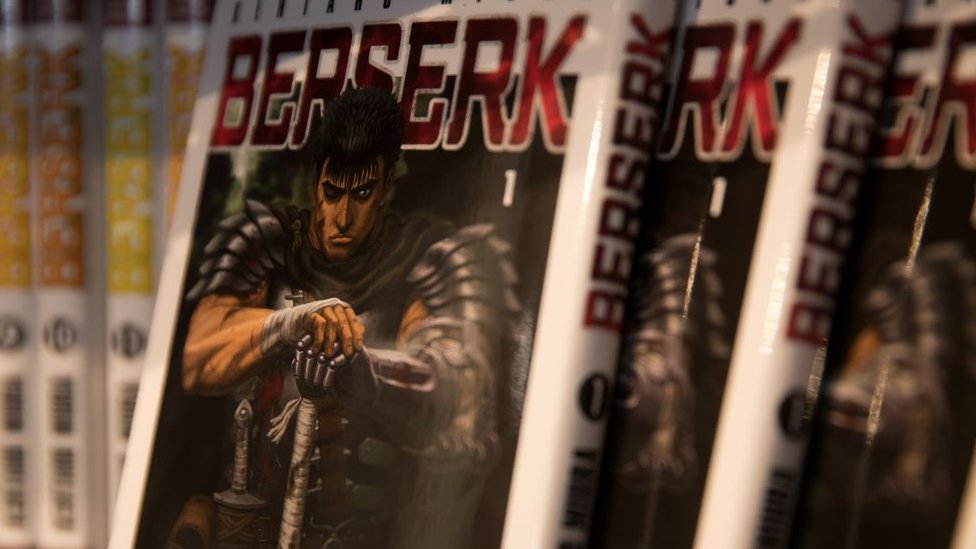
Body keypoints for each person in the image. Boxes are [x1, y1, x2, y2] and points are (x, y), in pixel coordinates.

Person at [171, 87, 519, 549]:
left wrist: (366, 375)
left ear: (387, 187)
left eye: (362, 193)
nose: (342, 217)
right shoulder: (267, 245)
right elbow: (198, 357)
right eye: (332, 193)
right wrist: (289, 323)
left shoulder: (429, 259)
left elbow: (461, 397)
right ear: (316, 180)